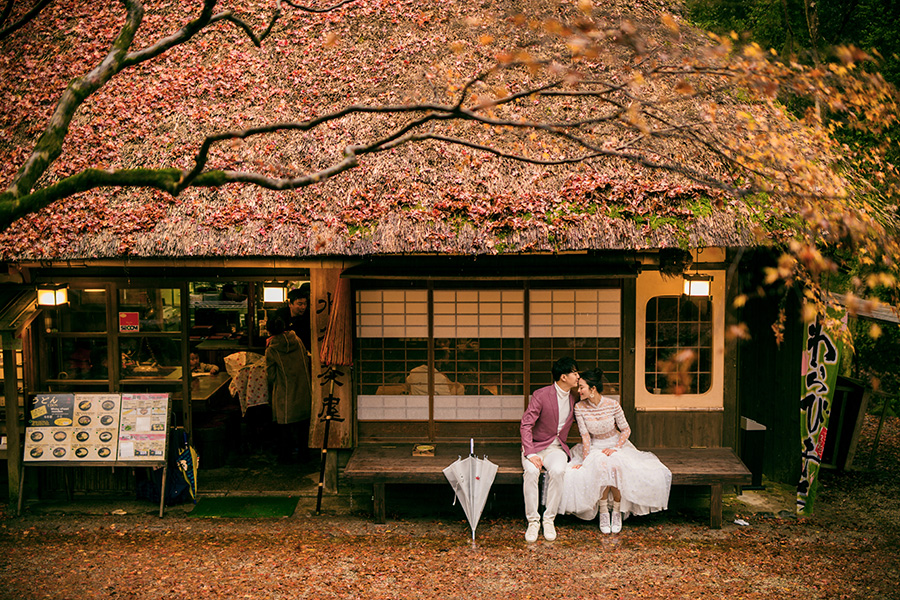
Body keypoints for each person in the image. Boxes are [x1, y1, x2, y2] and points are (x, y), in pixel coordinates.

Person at [557, 368, 671, 533]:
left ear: (593, 389)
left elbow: (626, 430)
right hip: (595, 445)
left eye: (582, 387)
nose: (578, 390)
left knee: (616, 464)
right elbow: (586, 437)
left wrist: (616, 448)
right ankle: (604, 511)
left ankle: (616, 511)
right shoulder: (580, 407)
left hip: (616, 443)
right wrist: (585, 460)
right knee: (601, 465)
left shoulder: (613, 405)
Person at [520, 356, 580, 542]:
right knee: (531, 472)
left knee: (559, 470)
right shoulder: (541, 394)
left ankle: (549, 519)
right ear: (563, 377)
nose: (578, 376)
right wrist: (530, 453)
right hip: (536, 446)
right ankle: (533, 521)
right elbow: (526, 424)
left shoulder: (575, 397)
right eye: (575, 373)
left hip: (556, 449)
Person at [265, 317, 312, 464]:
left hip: (285, 390)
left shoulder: (272, 349)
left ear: (269, 331)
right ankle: (304, 454)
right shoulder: (297, 340)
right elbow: (306, 358)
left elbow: (270, 375)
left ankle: (285, 456)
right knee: (303, 425)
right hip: (303, 387)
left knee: (284, 424)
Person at [274, 287, 311, 352]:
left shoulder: (309, 316)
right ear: (290, 304)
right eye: (300, 304)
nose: (303, 307)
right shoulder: (280, 315)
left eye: (305, 304)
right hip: (283, 350)